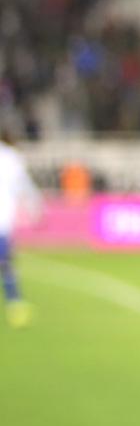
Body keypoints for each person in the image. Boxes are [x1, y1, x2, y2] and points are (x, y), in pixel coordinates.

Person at [0, 129, 44, 329]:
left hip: (4, 219)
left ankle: (15, 303)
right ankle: (15, 303)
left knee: (5, 263)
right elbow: (25, 187)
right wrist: (35, 208)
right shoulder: (12, 158)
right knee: (6, 264)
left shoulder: (11, 158)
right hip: (3, 221)